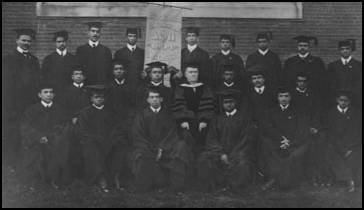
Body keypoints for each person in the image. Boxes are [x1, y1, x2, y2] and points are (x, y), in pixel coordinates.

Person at [132, 88, 191, 192]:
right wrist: (152, 149)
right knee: (141, 155)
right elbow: (138, 135)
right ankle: (150, 185)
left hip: (166, 148)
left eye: (157, 97)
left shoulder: (168, 114)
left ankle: (176, 187)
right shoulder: (141, 115)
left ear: (161, 99)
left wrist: (161, 148)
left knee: (181, 147)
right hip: (148, 148)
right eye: (152, 97)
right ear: (147, 100)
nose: (155, 99)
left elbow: (172, 134)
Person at [197, 89, 255, 192]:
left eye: (231, 102)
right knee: (204, 158)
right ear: (222, 104)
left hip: (238, 151)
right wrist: (221, 153)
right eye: (225, 102)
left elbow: (246, 139)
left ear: (235, 103)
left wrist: (233, 153)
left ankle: (235, 187)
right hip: (219, 152)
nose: (228, 105)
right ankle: (214, 186)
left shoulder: (244, 119)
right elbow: (212, 139)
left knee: (242, 162)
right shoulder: (217, 119)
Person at [3, 28, 41, 168]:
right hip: (14, 104)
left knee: (29, 132)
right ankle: (12, 163)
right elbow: (6, 85)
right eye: (23, 40)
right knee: (14, 133)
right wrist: (9, 106)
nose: (26, 43)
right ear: (17, 41)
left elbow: (37, 83)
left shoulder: (34, 60)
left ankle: (28, 162)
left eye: (29, 41)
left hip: (30, 104)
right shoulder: (9, 59)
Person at [19, 83, 69, 190]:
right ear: (39, 95)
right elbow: (26, 127)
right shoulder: (31, 110)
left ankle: (54, 179)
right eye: (45, 92)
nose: (48, 94)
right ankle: (34, 180)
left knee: (57, 150)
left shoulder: (59, 109)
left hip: (54, 139)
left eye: (51, 92)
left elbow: (63, 125)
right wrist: (39, 137)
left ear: (54, 95)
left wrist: (51, 137)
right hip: (36, 140)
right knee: (34, 153)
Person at [261, 87, 311, 191]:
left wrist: (290, 143)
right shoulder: (271, 111)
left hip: (295, 143)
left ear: (290, 98)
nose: (283, 99)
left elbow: (302, 129)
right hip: (277, 142)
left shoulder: (298, 111)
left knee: (293, 156)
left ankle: (279, 182)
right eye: (281, 96)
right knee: (272, 153)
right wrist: (281, 140)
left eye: (286, 96)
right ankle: (278, 180)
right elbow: (268, 128)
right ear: (277, 98)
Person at [75, 85, 115, 192]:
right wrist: (97, 139)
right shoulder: (85, 112)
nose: (99, 99)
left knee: (119, 146)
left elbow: (115, 128)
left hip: (109, 140)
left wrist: (110, 138)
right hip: (91, 140)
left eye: (101, 97)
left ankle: (116, 177)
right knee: (93, 149)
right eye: (96, 97)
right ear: (91, 99)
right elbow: (83, 131)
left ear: (105, 99)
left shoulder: (111, 112)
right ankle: (100, 178)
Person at [172, 62, 215, 157]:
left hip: (203, 123)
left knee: (204, 143)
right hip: (186, 123)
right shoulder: (180, 88)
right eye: (190, 72)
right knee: (186, 142)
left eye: (195, 72)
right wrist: (183, 120)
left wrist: (204, 120)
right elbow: (179, 104)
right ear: (186, 74)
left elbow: (208, 104)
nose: (193, 74)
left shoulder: (205, 88)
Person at [323, 89, 362, 192]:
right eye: (341, 100)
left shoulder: (356, 114)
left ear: (349, 102)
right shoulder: (330, 114)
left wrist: (350, 147)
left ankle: (350, 180)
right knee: (330, 152)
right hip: (335, 144)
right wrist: (342, 148)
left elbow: (357, 132)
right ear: (337, 100)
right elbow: (329, 133)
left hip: (351, 145)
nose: (343, 102)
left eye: (346, 100)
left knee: (356, 154)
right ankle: (348, 179)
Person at [59, 64, 90, 180]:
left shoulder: (88, 90)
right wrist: (71, 117)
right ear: (72, 77)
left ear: (84, 77)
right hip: (72, 121)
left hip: (86, 121)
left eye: (81, 74)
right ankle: (72, 171)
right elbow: (63, 108)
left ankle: (85, 171)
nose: (78, 76)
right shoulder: (66, 91)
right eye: (76, 74)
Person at [282, 36, 327, 105]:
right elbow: (286, 79)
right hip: (295, 95)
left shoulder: (317, 62)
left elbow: (321, 80)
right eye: (300, 45)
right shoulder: (290, 61)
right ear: (297, 47)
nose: (302, 47)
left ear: (309, 47)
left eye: (305, 46)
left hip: (312, 96)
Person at [328, 39, 362, 108]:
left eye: (347, 49)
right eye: (342, 49)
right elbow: (331, 84)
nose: (345, 51)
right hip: (338, 101)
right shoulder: (333, 66)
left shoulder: (359, 65)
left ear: (351, 50)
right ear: (339, 50)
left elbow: (359, 83)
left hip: (354, 100)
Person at [114, 27, 145, 92]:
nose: (132, 38)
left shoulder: (142, 52)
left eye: (134, 36)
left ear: (137, 38)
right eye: (130, 36)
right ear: (126, 37)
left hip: (139, 84)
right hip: (124, 84)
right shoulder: (119, 53)